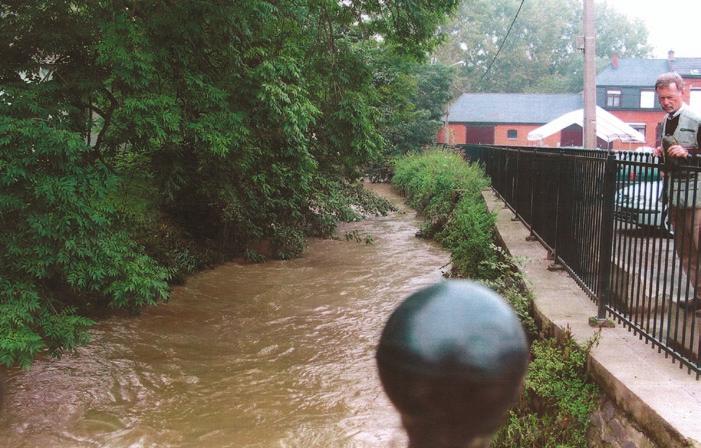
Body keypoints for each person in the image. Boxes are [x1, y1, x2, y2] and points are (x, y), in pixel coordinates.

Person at [654, 72, 701, 310]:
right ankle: (699, 296)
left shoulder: (697, 119)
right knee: (685, 252)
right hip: (675, 196)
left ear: (682, 92)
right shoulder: (663, 123)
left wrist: (689, 153)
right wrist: (660, 154)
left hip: (697, 198)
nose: (665, 102)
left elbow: (693, 153)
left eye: (670, 97)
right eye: (661, 98)